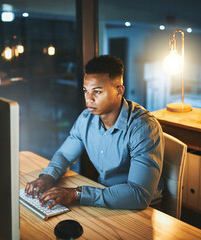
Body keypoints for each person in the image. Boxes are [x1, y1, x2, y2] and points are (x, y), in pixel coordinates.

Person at [25, 55, 164, 210]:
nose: (89, 99)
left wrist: (77, 194)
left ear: (119, 90)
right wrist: (48, 177)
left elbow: (139, 195)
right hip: (104, 197)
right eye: (86, 91)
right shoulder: (86, 118)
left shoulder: (144, 128)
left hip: (143, 208)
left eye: (97, 92)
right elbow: (65, 155)